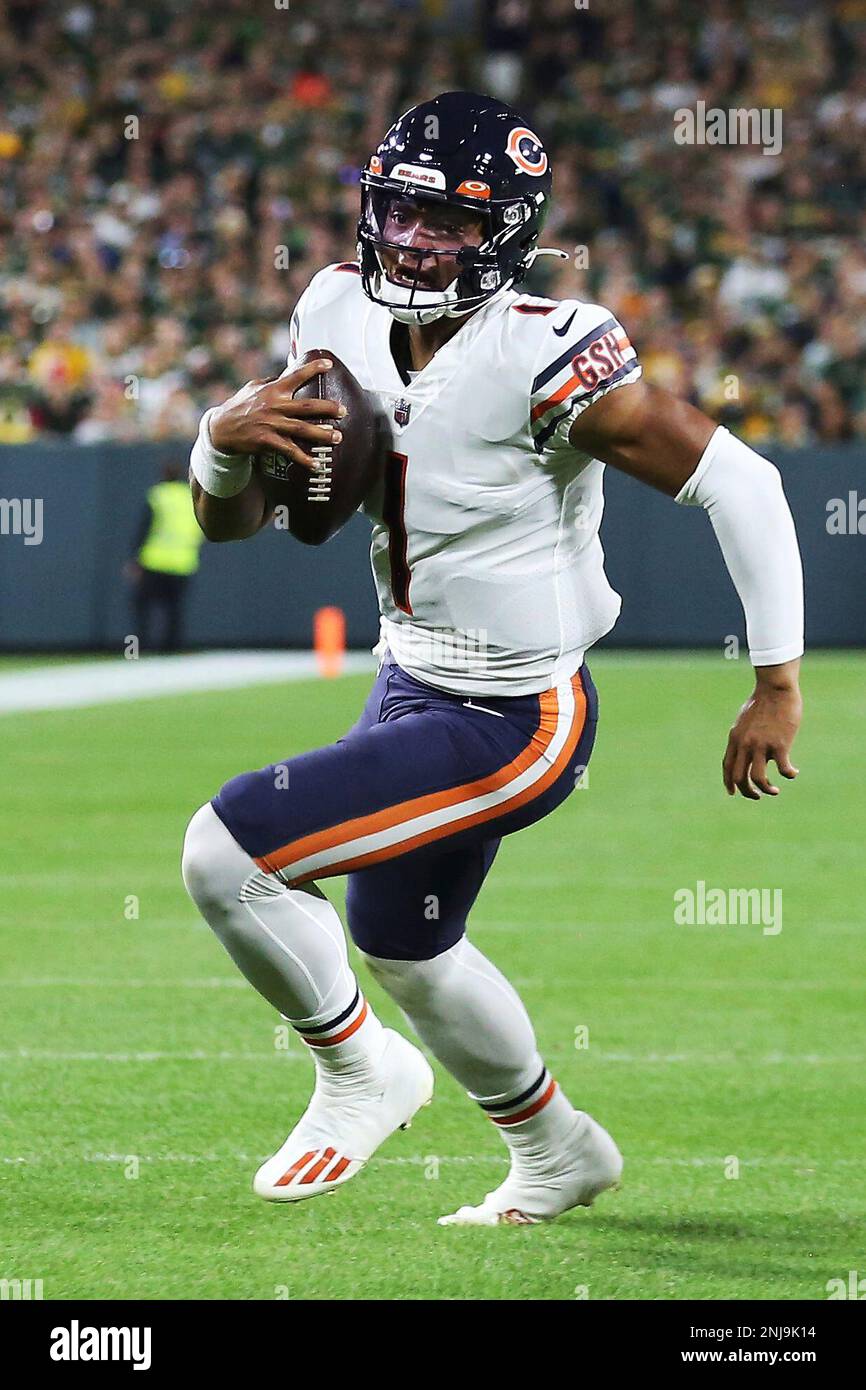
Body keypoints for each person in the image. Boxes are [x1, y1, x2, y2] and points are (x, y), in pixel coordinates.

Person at [181, 92, 804, 1226]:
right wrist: (218, 445)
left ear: (506, 234)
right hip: (406, 678)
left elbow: (742, 482)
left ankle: (359, 1070)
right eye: (402, 210)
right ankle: (558, 1149)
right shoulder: (333, 313)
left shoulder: (545, 349)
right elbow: (233, 527)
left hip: (515, 712)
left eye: (452, 223)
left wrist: (773, 682)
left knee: (229, 852)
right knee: (403, 942)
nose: (417, 239)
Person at [128, 463, 204, 653]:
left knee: (143, 607)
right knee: (175, 609)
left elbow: (144, 528)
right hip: (183, 562)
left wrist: (134, 558)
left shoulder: (157, 495)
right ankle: (173, 649)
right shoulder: (191, 497)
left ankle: (141, 647)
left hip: (155, 560)